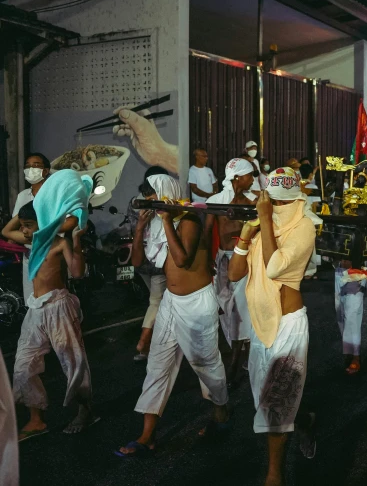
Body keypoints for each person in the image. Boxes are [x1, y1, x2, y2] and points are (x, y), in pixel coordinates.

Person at [117, 174, 229, 457]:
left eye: (153, 194)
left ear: (165, 193)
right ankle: (147, 435)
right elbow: (139, 262)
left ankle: (220, 413)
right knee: (157, 365)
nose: (150, 201)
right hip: (171, 302)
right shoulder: (154, 222)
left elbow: (182, 259)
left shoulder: (189, 220)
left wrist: (167, 220)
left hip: (197, 302)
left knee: (205, 364)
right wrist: (142, 227)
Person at [227, 167, 319, 484]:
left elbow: (275, 267)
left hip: (289, 325)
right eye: (271, 203)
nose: (276, 208)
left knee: (275, 405)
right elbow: (234, 274)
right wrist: (244, 236)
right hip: (261, 324)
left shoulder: (304, 227)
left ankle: (274, 475)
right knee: (263, 400)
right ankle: (303, 419)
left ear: (294, 199)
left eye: (280, 203)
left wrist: (265, 221)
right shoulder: (261, 230)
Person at [13, 169, 98, 441]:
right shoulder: (33, 244)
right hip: (35, 309)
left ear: (46, 221)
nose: (24, 231)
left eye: (28, 225)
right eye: (23, 226)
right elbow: (5, 231)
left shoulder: (59, 243)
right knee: (24, 365)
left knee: (73, 362)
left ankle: (85, 410)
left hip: (59, 307)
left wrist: (75, 238)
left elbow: (76, 273)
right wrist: (34, 202)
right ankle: (36, 419)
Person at [205, 159, 257, 386]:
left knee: (241, 309)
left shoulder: (253, 201)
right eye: (249, 176)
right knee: (225, 308)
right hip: (221, 261)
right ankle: (241, 350)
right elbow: (207, 232)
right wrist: (207, 259)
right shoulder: (216, 202)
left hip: (245, 261)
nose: (253, 179)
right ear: (238, 178)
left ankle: (237, 360)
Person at [129, 166, 169, 362]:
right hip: (156, 261)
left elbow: (131, 226)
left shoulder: (135, 203)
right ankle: (144, 342)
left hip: (140, 257)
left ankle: (153, 340)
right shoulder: (159, 204)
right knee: (156, 302)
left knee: (157, 301)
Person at [2, 153, 52, 300]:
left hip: (50, 253)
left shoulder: (53, 195)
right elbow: (17, 226)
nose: (31, 169)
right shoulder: (23, 196)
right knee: (31, 299)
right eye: (28, 166)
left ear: (46, 170)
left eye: (36, 165)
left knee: (50, 298)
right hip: (29, 255)